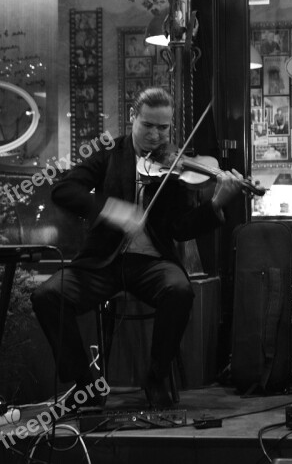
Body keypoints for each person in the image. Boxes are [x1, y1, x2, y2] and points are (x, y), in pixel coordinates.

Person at [31, 87, 248, 410]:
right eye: (148, 125)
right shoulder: (110, 154)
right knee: (47, 296)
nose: (156, 135)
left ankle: (156, 376)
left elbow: (180, 228)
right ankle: (84, 385)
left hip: (151, 263)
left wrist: (217, 202)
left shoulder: (176, 167)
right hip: (103, 262)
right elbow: (64, 190)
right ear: (133, 118)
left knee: (179, 291)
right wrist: (110, 209)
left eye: (164, 128)